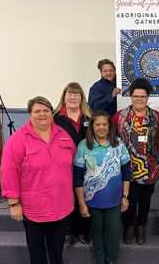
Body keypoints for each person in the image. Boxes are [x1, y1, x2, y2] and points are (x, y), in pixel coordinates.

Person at [0, 96, 76, 264]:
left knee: (57, 251)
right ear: (30, 114)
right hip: (34, 208)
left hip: (60, 205)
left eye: (46, 110)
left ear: (51, 113)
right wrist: (13, 203)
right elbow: (8, 171)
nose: (42, 114)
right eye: (37, 111)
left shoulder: (63, 135)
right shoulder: (18, 139)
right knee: (37, 253)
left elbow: (72, 166)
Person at [73, 110, 131, 264]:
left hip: (115, 200)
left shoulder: (118, 144)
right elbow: (77, 178)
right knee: (96, 232)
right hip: (92, 201)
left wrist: (125, 196)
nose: (101, 127)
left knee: (113, 232)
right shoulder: (84, 146)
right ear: (91, 127)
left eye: (104, 124)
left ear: (109, 126)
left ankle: (111, 261)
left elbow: (126, 172)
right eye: (97, 124)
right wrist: (81, 204)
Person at [112, 78, 159, 245]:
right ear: (131, 97)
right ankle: (129, 226)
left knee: (146, 199)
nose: (139, 99)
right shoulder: (119, 116)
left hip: (150, 167)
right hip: (128, 168)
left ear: (148, 97)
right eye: (136, 96)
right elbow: (112, 141)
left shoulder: (156, 117)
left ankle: (141, 225)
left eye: (143, 96)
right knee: (130, 198)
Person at [53, 82, 92, 245]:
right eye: (70, 94)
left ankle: (82, 230)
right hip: (64, 165)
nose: (73, 97)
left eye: (77, 94)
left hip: (86, 165)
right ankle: (68, 230)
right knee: (67, 197)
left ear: (82, 98)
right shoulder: (55, 118)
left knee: (84, 196)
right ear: (64, 97)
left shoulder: (90, 117)